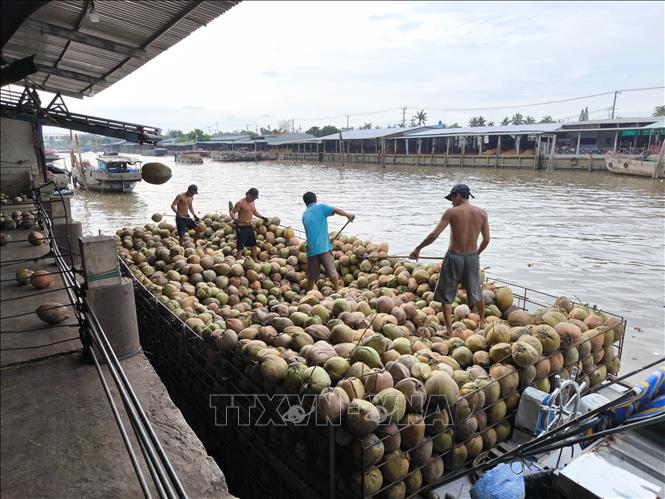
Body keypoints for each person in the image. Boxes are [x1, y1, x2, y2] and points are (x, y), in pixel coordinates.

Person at [409, 184, 490, 337]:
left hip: (454, 257)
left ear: (458, 196)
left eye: (452, 198)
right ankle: (481, 323)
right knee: (476, 291)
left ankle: (449, 331)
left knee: (447, 294)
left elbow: (434, 235)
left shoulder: (452, 212)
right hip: (472, 258)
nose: (451, 202)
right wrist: (476, 254)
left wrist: (418, 248)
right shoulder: (482, 213)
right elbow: (486, 240)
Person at [301, 191, 354, 292]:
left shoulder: (304, 215)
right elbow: (335, 210)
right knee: (332, 273)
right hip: (323, 247)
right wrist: (348, 215)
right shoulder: (321, 207)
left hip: (311, 249)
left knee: (311, 276)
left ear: (305, 203)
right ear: (315, 200)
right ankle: (337, 291)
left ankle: (308, 293)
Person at [230, 187, 268, 262]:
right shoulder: (240, 203)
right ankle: (238, 260)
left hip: (249, 226)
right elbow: (232, 212)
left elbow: (254, 212)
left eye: (255, 198)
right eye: (253, 197)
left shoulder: (252, 202)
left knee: (253, 244)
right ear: (248, 195)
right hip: (241, 227)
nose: (254, 199)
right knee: (240, 246)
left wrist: (262, 217)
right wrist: (235, 219)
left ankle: (255, 259)